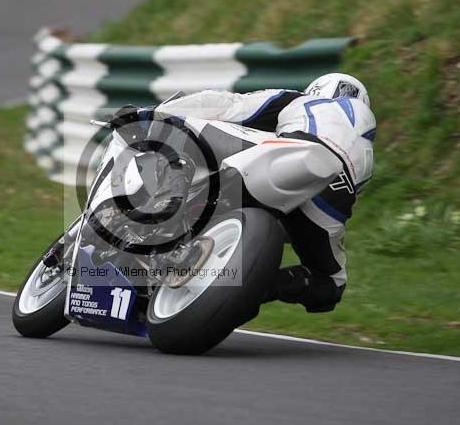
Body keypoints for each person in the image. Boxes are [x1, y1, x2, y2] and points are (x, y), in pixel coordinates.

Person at [153, 73, 376, 313]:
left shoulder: (300, 100)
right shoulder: (367, 150)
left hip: (292, 152)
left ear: (318, 90)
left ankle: (165, 213)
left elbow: (231, 105)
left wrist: (158, 112)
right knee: (331, 285)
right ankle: (254, 289)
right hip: (332, 200)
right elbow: (352, 190)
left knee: (177, 126)